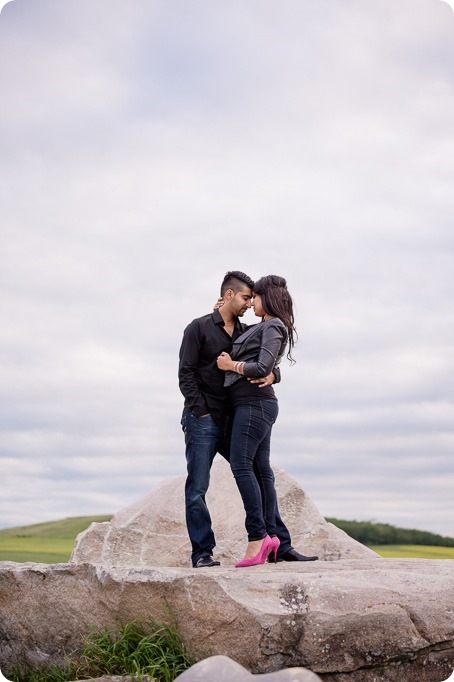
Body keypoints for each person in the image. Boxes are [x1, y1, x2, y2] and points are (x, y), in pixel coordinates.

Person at [179, 271, 315, 568]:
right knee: (198, 487)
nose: (250, 302)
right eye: (245, 297)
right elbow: (185, 374)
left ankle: (279, 542)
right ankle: (203, 552)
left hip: (234, 416)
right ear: (228, 295)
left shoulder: (243, 329)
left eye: (253, 298)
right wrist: (200, 410)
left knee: (256, 471)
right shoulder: (199, 327)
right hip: (202, 418)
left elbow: (265, 353)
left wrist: (274, 373)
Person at [217, 275, 318, 567]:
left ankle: (258, 537)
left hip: (254, 404)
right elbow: (255, 352)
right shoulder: (259, 327)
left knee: (241, 465)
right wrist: (221, 309)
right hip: (251, 404)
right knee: (261, 470)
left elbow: (263, 364)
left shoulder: (273, 325)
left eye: (255, 298)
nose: (251, 303)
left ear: (267, 298)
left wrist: (230, 365)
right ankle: (278, 542)